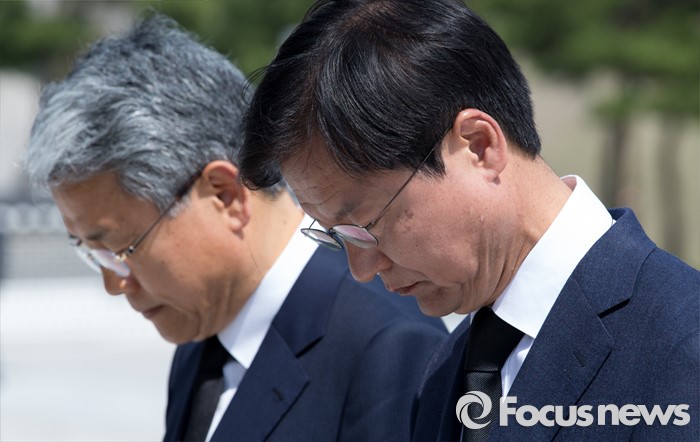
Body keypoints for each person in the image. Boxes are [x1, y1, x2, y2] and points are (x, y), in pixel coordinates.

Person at [237, 0, 700, 440]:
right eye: (338, 238)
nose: (362, 269)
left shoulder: (681, 343)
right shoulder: (448, 369)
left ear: (479, 146)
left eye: (367, 225)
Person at [23, 14, 447, 442]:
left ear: (223, 194)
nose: (115, 283)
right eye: (89, 251)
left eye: (121, 248)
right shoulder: (203, 333)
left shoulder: (388, 351)